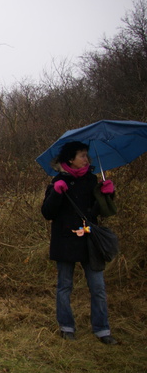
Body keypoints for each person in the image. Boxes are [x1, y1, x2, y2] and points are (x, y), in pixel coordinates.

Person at [41, 141, 118, 345]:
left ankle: (102, 329)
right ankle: (66, 327)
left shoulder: (92, 181)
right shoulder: (57, 181)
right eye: (82, 155)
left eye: (86, 155)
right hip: (65, 241)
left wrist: (108, 193)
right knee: (64, 286)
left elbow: (102, 210)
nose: (86, 159)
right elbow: (47, 213)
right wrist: (56, 193)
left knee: (98, 287)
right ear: (70, 160)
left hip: (89, 239)